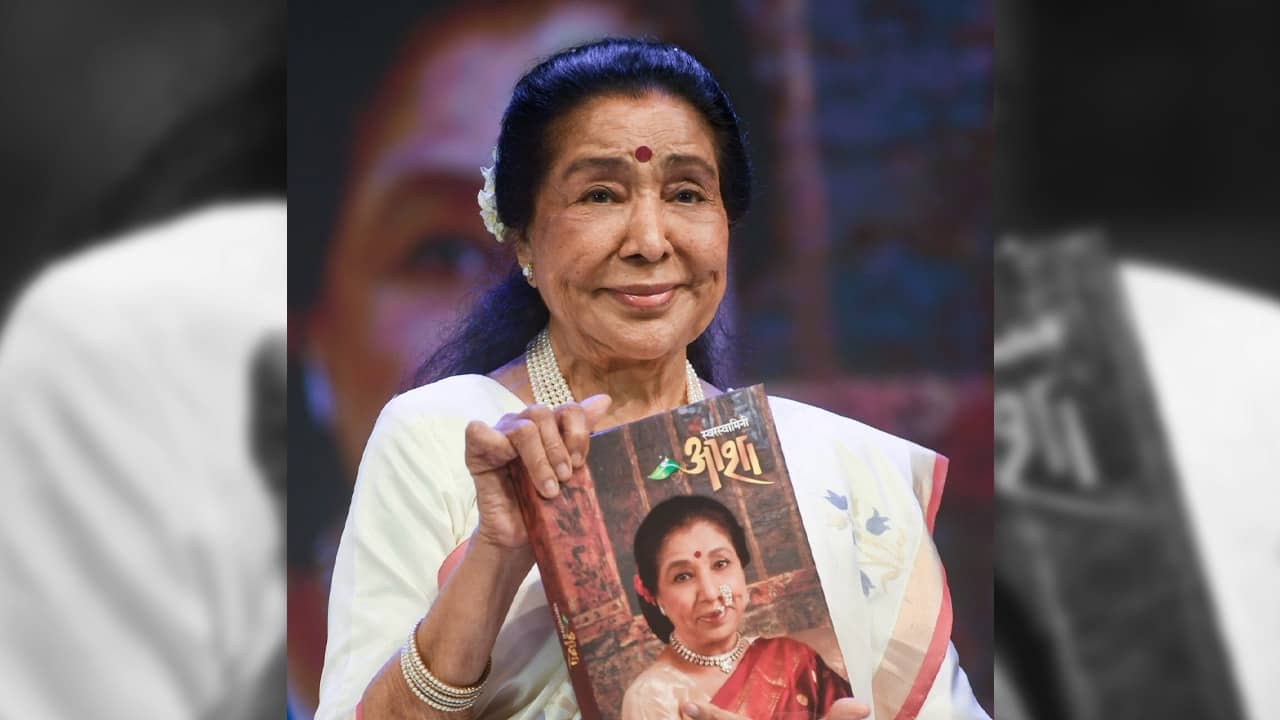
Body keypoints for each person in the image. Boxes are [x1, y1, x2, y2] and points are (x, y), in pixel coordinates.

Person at [317, 38, 987, 720]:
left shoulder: (837, 467)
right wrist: (497, 556)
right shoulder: (446, 438)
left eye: (686, 193)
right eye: (600, 195)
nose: (649, 240)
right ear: (522, 240)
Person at [622, 495, 852, 719]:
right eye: (682, 577)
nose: (710, 593)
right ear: (656, 597)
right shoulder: (652, 698)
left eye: (721, 564)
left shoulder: (795, 659)